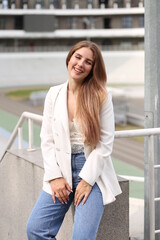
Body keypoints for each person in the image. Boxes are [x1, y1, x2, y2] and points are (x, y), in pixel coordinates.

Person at [26, 40, 122, 240]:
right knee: (35, 229)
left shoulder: (102, 95)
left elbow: (105, 144)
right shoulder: (54, 93)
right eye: (78, 57)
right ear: (70, 58)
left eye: (88, 62)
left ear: (93, 69)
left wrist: (87, 181)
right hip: (61, 171)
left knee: (82, 237)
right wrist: (54, 177)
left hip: (91, 173)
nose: (80, 64)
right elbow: (47, 138)